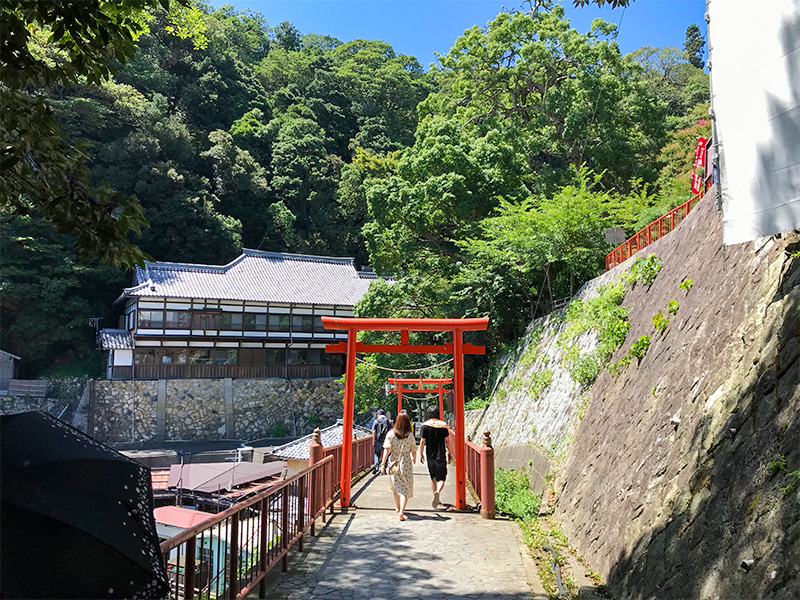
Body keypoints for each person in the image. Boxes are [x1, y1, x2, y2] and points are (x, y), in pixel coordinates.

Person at [380, 412, 416, 521]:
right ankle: (401, 511)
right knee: (405, 488)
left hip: (394, 461)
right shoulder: (409, 435)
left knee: (395, 486)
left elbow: (386, 450)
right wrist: (414, 458)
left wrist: (383, 464)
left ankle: (398, 507)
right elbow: (413, 448)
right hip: (405, 462)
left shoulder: (391, 434)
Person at [418, 405, 453, 509]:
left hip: (430, 454)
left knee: (432, 476)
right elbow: (447, 441)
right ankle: (438, 491)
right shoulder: (443, 425)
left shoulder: (425, 426)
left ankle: (436, 495)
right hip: (440, 454)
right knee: (442, 477)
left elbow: (422, 441)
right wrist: (450, 453)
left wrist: (421, 454)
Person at [371, 408, 391, 474]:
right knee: (386, 454)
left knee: (377, 454)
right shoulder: (388, 421)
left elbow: (373, 431)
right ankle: (384, 468)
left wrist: (373, 441)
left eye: (377, 414)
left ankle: (376, 467)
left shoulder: (376, 421)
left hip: (378, 440)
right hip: (386, 440)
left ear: (379, 414)